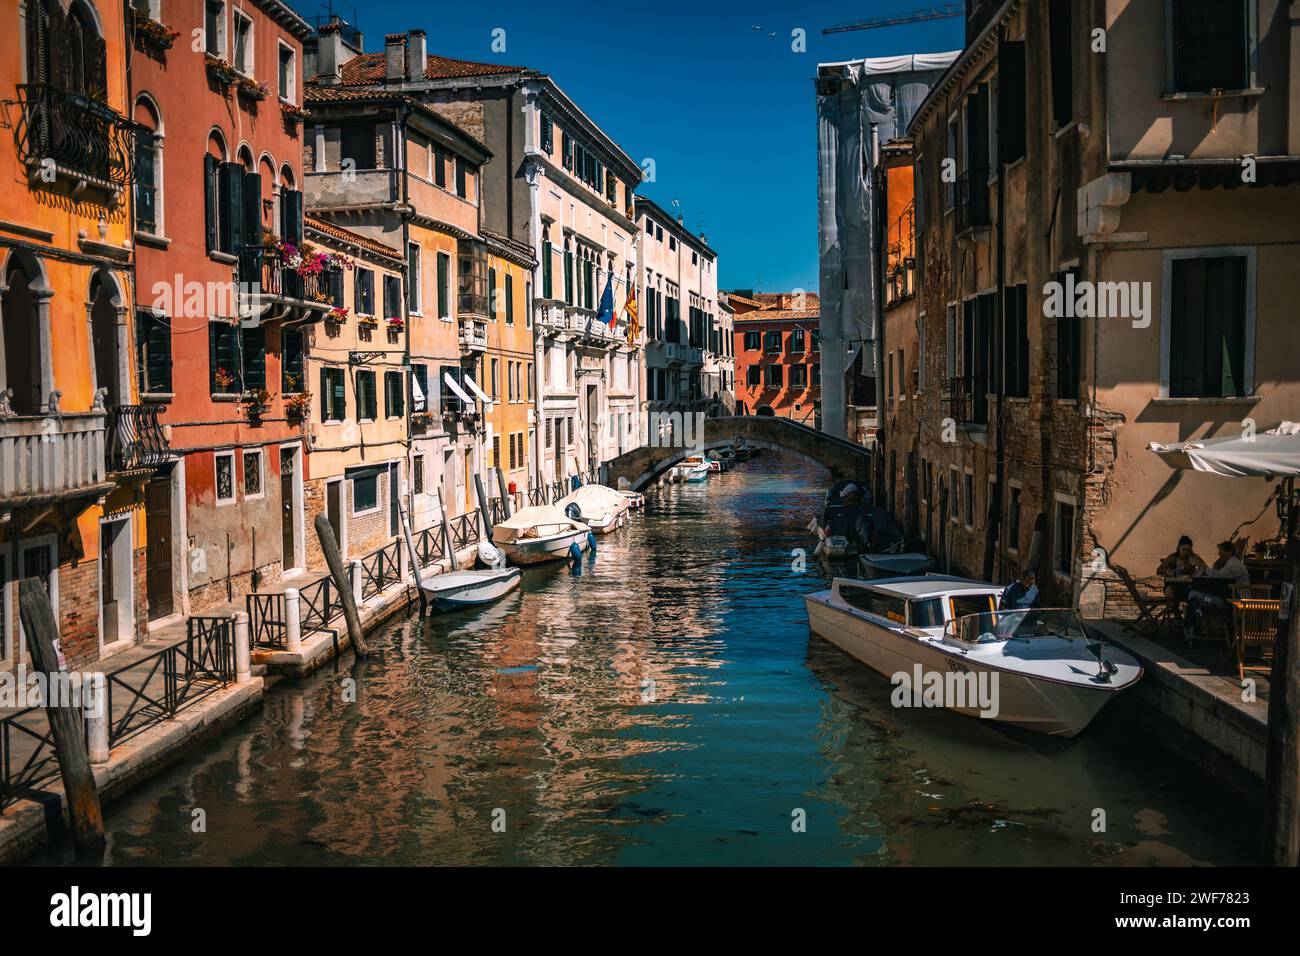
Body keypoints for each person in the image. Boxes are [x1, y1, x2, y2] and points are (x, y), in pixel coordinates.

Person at [1183, 541, 1250, 643]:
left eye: (1220, 551)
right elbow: (1218, 577)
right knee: (1195, 592)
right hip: (1230, 595)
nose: (1219, 554)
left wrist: (1201, 566)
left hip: (1237, 598)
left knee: (1195, 592)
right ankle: (1194, 623)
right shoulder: (1230, 563)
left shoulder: (1234, 565)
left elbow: (1219, 576)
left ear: (1228, 552)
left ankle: (1193, 625)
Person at [1157, 535, 1207, 603]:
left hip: (1188, 586)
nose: (1186, 552)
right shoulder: (1173, 557)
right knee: (1172, 594)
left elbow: (1206, 568)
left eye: (1188, 550)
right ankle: (1175, 611)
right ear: (1179, 547)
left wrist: (1195, 568)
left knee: (1198, 594)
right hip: (1173, 585)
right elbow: (1159, 570)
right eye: (1184, 550)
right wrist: (1170, 572)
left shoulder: (1193, 557)